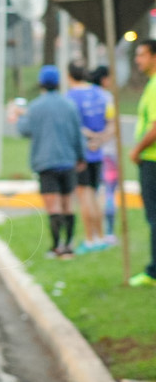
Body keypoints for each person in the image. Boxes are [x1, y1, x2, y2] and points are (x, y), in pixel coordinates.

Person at [15, 65, 86, 260]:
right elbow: (77, 134)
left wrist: (16, 116)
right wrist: (81, 157)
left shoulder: (35, 107)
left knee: (53, 207)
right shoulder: (68, 105)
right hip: (67, 161)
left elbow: (23, 130)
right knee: (68, 205)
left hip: (45, 163)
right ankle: (69, 245)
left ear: (41, 83)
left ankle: (56, 247)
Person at [66, 60, 111, 253]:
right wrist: (100, 140)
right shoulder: (101, 94)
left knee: (84, 197)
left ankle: (89, 239)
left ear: (69, 76)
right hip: (98, 152)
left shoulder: (70, 97)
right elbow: (112, 122)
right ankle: (101, 237)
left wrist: (90, 137)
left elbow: (73, 126)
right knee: (96, 194)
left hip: (81, 155)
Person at [129, 39, 156, 287]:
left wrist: (137, 150)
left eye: (142, 55)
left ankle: (153, 272)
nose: (138, 60)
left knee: (154, 217)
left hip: (152, 160)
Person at [91, 66, 119, 245]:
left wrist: (93, 142)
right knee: (109, 193)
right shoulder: (107, 98)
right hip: (108, 153)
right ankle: (109, 232)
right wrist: (101, 140)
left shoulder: (88, 96)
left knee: (92, 194)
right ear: (104, 79)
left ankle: (95, 232)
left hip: (90, 153)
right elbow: (112, 126)